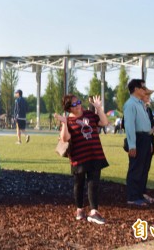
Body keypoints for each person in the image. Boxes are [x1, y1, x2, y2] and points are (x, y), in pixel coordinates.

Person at [55, 94, 109, 224]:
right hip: (79, 157)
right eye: (74, 104)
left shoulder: (89, 114)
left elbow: (104, 122)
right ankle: (80, 209)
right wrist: (64, 123)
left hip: (95, 154)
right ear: (69, 108)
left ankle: (94, 211)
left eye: (78, 102)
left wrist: (99, 108)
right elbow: (65, 138)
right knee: (79, 184)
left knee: (93, 183)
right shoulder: (68, 120)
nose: (78, 105)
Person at [124, 79, 154, 207]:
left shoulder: (140, 104)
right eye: (142, 87)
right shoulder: (131, 104)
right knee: (136, 168)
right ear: (136, 89)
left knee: (143, 168)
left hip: (145, 138)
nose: (144, 90)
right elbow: (129, 126)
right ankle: (132, 196)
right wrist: (132, 145)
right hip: (138, 138)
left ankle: (139, 194)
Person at [139, 87, 154, 205]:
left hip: (149, 143)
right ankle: (137, 194)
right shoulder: (136, 109)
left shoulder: (148, 110)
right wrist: (149, 130)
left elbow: (152, 126)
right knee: (139, 170)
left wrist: (151, 134)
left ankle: (143, 192)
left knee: (145, 169)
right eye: (147, 95)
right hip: (140, 144)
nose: (149, 98)